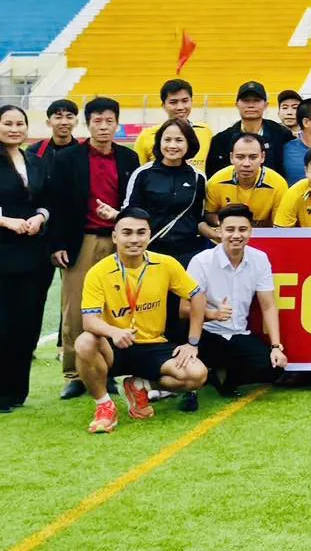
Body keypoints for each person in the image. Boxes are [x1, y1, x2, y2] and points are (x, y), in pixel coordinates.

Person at [75, 208, 209, 433]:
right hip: (115, 346)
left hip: (152, 345)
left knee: (197, 375)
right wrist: (114, 332)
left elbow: (197, 295)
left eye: (141, 232)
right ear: (115, 236)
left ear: (149, 235)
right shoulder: (98, 272)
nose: (134, 239)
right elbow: (89, 321)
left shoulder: (166, 264)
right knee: (85, 342)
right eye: (127, 233)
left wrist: (192, 342)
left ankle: (140, 386)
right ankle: (104, 405)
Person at [49, 97, 139, 398]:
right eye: (97, 121)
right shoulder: (68, 158)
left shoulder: (128, 158)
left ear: (117, 124)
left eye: (109, 121)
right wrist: (58, 243)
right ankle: (75, 374)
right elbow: (56, 203)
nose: (103, 127)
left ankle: (108, 370)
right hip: (82, 240)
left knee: (116, 307)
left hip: (118, 240)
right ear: (88, 124)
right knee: (76, 309)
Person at [183, 204, 286, 400]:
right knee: (190, 359)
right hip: (206, 333)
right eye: (230, 229)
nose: (236, 235)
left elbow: (268, 306)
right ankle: (209, 372)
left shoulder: (259, 259)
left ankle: (224, 379)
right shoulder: (201, 261)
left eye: (242, 229)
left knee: (274, 368)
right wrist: (213, 314)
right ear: (219, 231)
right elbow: (183, 309)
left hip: (238, 333)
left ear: (250, 232)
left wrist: (275, 347)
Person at [0, 105, 53, 413]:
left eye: (19, 123)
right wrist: (5, 221)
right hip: (3, 252)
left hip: (34, 254)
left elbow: (48, 200)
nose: (14, 128)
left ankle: (17, 391)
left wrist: (40, 217)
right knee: (3, 323)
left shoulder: (35, 160)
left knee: (27, 323)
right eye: (7, 123)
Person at [125, 118, 216, 266]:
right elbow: (130, 212)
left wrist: (216, 234)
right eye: (167, 140)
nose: (172, 145)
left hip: (188, 253)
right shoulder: (143, 174)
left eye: (179, 140)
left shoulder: (197, 177)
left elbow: (197, 217)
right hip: (151, 252)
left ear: (189, 143)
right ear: (159, 142)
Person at [205, 81, 293, 177]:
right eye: (246, 100)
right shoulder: (220, 140)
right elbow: (213, 176)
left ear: (266, 105)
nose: (251, 105)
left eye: (256, 100)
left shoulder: (282, 134)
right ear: (237, 105)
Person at [206, 134, 289, 227]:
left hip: (264, 235)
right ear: (231, 157)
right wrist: (229, 226)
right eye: (240, 157)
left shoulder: (278, 184)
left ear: (262, 157)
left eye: (253, 157)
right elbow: (209, 213)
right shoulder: (216, 181)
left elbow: (279, 224)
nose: (246, 164)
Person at [135, 78, 213, 170]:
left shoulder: (205, 132)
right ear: (163, 105)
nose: (180, 107)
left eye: (185, 101)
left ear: (191, 101)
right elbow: (138, 171)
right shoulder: (146, 136)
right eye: (173, 102)